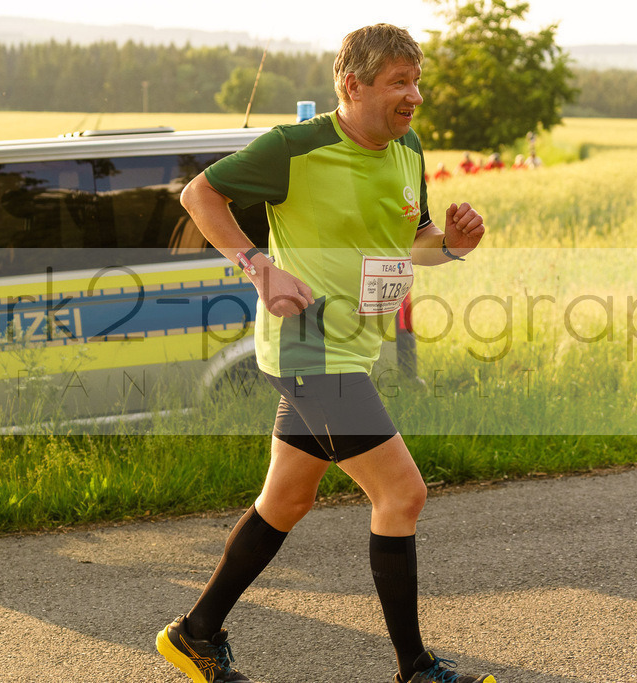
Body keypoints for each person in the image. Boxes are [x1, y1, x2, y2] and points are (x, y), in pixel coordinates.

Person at [155, 23, 493, 683]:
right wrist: (258, 267)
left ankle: (195, 632)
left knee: (285, 500)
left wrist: (452, 242)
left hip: (350, 350)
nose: (414, 95)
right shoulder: (297, 147)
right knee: (403, 493)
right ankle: (415, 668)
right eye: (399, 81)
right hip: (310, 349)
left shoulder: (407, 148)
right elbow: (200, 194)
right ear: (351, 84)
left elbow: (414, 242)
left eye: (416, 80)